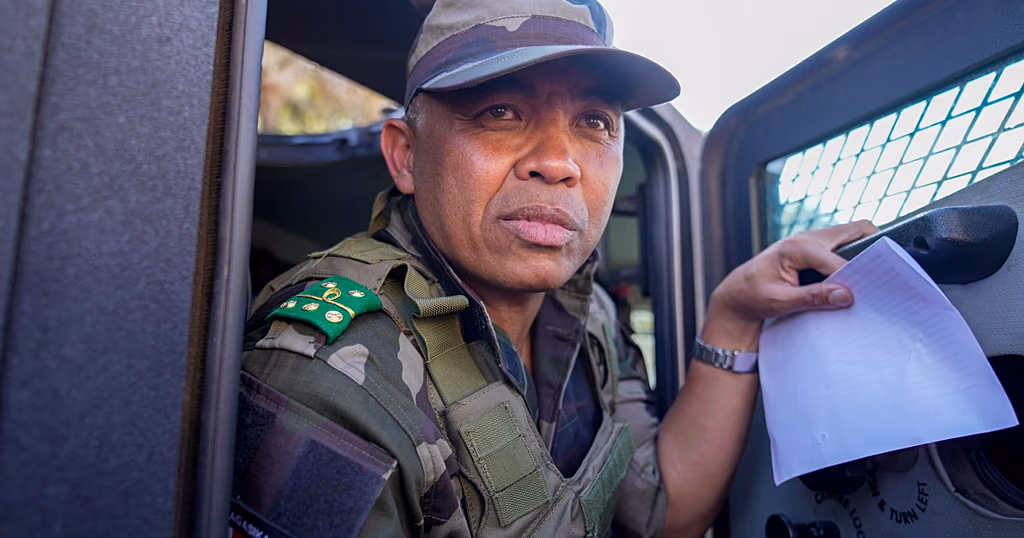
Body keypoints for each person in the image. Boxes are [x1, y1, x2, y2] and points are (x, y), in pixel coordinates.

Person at [232, 0, 879, 536]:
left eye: (594, 121)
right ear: (405, 157)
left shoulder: (585, 310)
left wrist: (731, 318)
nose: (559, 162)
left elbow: (665, 511)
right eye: (500, 112)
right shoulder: (331, 372)